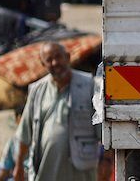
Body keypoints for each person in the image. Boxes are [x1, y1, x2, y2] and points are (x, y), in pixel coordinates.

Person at [12, 42, 99, 181]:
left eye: (58, 57)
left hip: (81, 171)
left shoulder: (89, 85)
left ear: (68, 57)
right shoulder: (37, 91)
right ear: (43, 64)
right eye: (49, 60)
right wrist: (18, 166)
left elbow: (102, 131)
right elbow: (24, 133)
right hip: (45, 171)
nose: (55, 62)